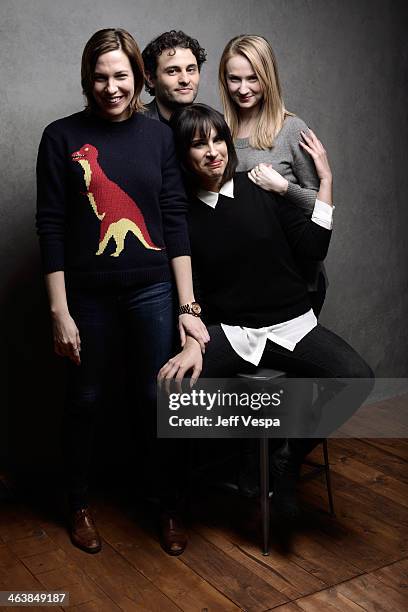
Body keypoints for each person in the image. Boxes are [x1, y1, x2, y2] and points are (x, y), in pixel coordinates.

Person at [36, 28, 209, 556]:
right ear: (88, 79)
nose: (111, 88)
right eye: (101, 77)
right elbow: (51, 226)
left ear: (139, 79)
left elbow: (175, 224)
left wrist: (187, 307)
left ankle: (168, 506)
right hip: (86, 297)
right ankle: (78, 503)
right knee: (85, 400)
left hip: (151, 292)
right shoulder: (61, 137)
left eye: (121, 76)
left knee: (156, 399)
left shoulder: (160, 137)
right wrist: (59, 311)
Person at [158, 104, 374, 519]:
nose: (213, 151)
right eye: (198, 144)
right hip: (234, 332)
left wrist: (324, 181)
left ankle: (286, 458)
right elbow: (192, 287)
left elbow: (314, 248)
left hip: (292, 324)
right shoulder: (181, 211)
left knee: (357, 377)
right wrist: (192, 340)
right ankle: (197, 491)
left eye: (218, 139)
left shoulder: (259, 185)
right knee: (172, 394)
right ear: (183, 155)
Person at [219, 34, 328, 316]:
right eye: (234, 79)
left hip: (295, 282)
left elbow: (321, 210)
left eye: (253, 78)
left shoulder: (291, 129)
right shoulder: (219, 135)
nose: (243, 89)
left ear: (268, 78)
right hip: (244, 285)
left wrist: (283, 188)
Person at [142, 30, 206, 124]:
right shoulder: (133, 127)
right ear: (150, 79)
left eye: (190, 70)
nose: (185, 80)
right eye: (172, 71)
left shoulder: (213, 126)